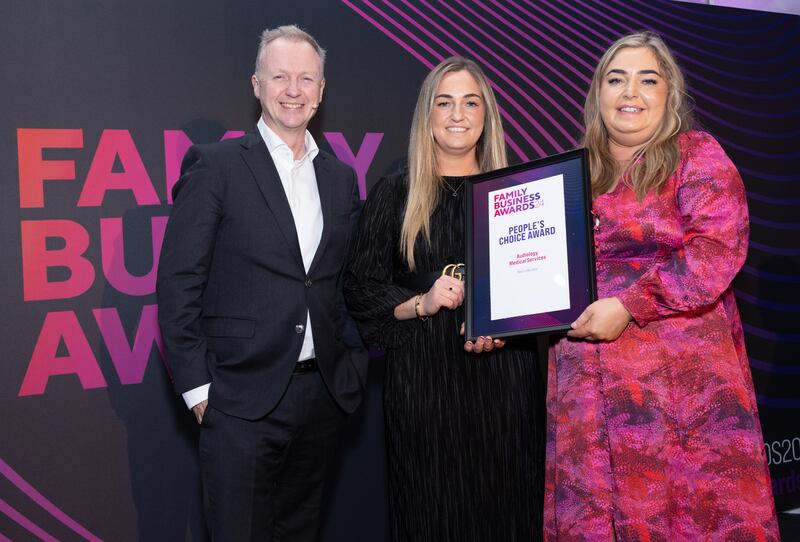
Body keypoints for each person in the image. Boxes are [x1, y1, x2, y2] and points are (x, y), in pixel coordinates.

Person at [544, 31, 779, 540]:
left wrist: (629, 305)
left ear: (669, 94)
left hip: (680, 392)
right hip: (586, 383)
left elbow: (716, 250)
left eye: (647, 79)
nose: (631, 92)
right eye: (616, 79)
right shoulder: (567, 175)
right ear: (597, 94)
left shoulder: (696, 155)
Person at [156, 25, 366, 542]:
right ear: (256, 84)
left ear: (321, 89)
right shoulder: (216, 165)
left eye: (305, 78)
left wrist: (351, 369)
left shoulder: (340, 179)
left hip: (321, 398)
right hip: (238, 404)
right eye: (279, 76)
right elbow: (180, 282)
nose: (292, 89)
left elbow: (341, 284)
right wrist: (200, 391)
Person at [344, 57, 544, 541]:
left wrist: (510, 326)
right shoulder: (395, 194)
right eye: (445, 102)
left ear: (487, 114)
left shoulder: (519, 193)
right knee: (430, 518)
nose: (458, 114)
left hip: (506, 389)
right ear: (427, 115)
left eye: (471, 102)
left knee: (509, 518)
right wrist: (422, 302)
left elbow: (545, 290)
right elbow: (359, 292)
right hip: (425, 392)